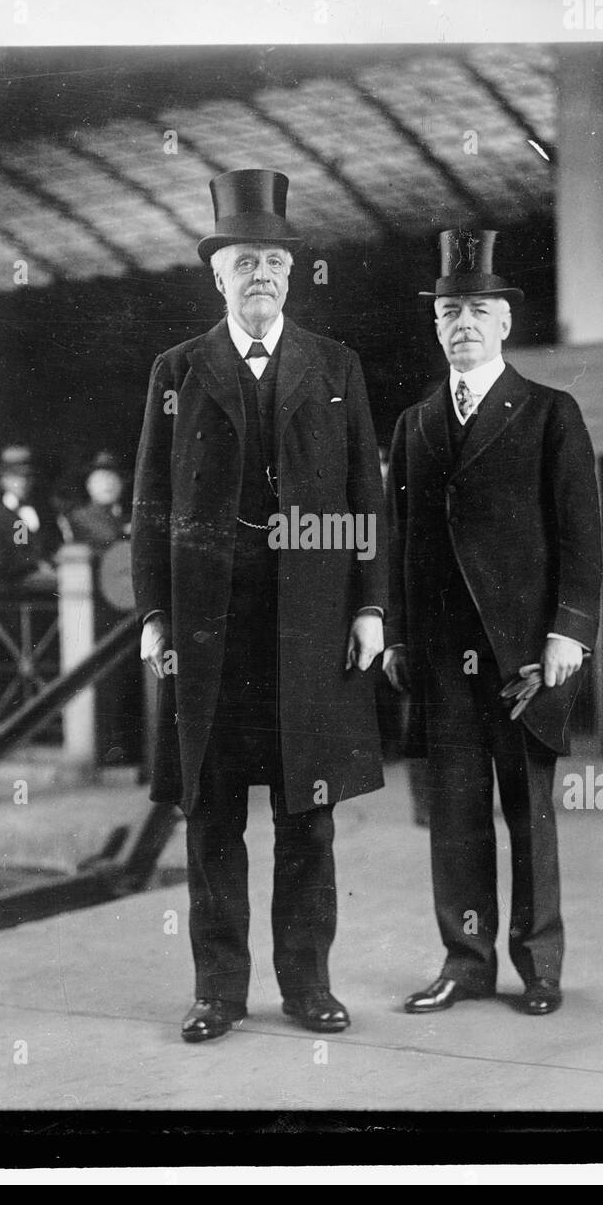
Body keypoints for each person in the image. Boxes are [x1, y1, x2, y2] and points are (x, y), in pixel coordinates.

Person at [132, 168, 387, 1042]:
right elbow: (151, 506)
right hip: (210, 629)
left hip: (309, 624)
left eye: (274, 262)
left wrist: (369, 607)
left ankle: (307, 986)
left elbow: (365, 496)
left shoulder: (334, 367)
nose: (261, 276)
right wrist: (154, 616)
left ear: (290, 272)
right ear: (218, 274)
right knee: (210, 812)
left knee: (304, 812)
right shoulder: (177, 371)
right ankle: (219, 993)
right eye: (244, 262)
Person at [383, 230, 602, 1017]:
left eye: (478, 309)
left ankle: (538, 965)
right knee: (454, 815)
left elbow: (580, 534)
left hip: (522, 654)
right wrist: (401, 635)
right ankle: (465, 962)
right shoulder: (414, 424)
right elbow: (401, 539)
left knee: (527, 812)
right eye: (449, 311)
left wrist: (568, 633)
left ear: (505, 322)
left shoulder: (549, 413)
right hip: (442, 657)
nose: (463, 323)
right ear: (435, 326)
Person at [0, 444, 63, 587]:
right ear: (3, 480)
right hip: (10, 593)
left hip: (47, 589)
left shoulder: (46, 513)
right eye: (15, 477)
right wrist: (34, 565)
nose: (23, 483)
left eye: (28, 476)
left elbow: (55, 546)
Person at [68, 450, 130, 552]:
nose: (107, 485)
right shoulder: (80, 516)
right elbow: (109, 536)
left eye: (113, 479)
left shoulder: (125, 515)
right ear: (88, 485)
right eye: (100, 480)